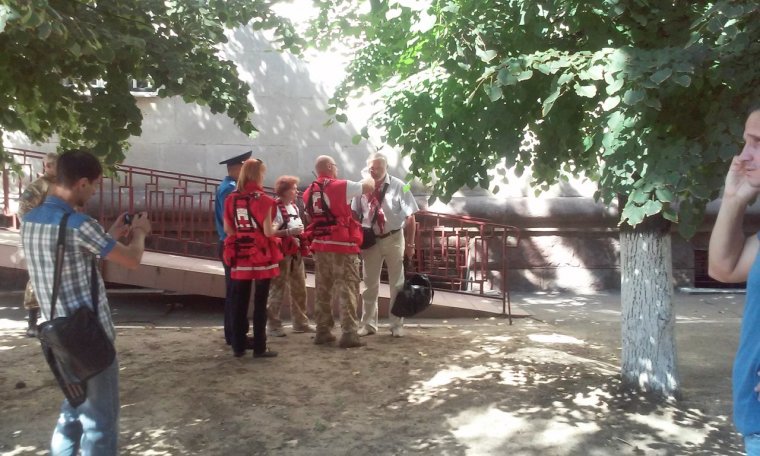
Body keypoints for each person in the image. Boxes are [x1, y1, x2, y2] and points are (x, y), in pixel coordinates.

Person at [20, 149, 152, 456]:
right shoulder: (80, 224)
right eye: (94, 185)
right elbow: (131, 260)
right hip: (89, 335)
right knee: (100, 423)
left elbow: (71, 255)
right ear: (81, 183)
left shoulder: (31, 220)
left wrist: (110, 234)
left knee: (72, 413)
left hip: (57, 333)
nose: (94, 192)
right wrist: (140, 234)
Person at [708, 105, 760, 455]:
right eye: (746, 141)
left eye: (757, 143)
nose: (743, 156)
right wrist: (734, 198)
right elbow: (723, 268)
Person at [303, 155, 373, 348]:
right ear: (328, 167)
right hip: (342, 245)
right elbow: (368, 187)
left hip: (320, 245)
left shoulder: (308, 192)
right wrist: (367, 174)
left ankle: (322, 331)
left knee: (323, 289)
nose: (337, 169)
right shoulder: (340, 186)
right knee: (348, 288)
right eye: (335, 166)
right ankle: (349, 333)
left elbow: (310, 218)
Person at [352, 152, 419, 337]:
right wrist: (356, 237)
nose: (374, 171)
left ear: (386, 168)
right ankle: (368, 324)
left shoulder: (402, 186)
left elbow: (411, 216)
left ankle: (396, 325)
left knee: (396, 283)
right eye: (371, 168)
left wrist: (411, 244)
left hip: (394, 237)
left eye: (378, 168)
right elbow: (354, 213)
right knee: (369, 284)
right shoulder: (361, 186)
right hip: (370, 240)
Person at [222, 158, 281, 358]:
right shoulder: (264, 200)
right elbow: (267, 232)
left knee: (240, 299)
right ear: (258, 175)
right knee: (260, 300)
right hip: (262, 255)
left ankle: (238, 346)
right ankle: (260, 346)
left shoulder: (231, 198)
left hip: (240, 254)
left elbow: (228, 230)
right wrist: (276, 228)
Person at [267, 175, 316, 337]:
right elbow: (271, 231)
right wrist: (288, 232)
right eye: (294, 188)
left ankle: (300, 322)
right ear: (285, 190)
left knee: (300, 288)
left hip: (295, 253)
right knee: (278, 289)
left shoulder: (294, 207)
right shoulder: (275, 207)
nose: (297, 191)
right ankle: (273, 325)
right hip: (282, 254)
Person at [17, 152, 58, 337]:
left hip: (57, 235)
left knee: (55, 276)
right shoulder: (38, 186)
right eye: (56, 166)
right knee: (37, 276)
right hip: (39, 237)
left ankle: (52, 320)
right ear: (47, 166)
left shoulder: (60, 185)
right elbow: (24, 212)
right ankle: (32, 323)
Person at [214, 150, 252, 348]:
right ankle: (238, 336)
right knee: (237, 292)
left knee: (233, 291)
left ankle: (233, 334)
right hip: (233, 244)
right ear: (236, 169)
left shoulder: (226, 186)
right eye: (244, 168)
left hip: (226, 242)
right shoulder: (230, 189)